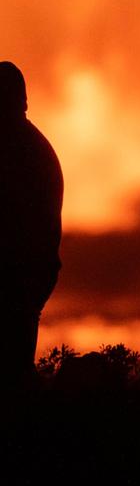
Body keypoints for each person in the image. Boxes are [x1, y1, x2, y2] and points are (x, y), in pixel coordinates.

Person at [0, 62, 63, 393]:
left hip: (18, 275)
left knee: (12, 374)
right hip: (32, 274)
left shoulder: (17, 149)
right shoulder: (31, 144)